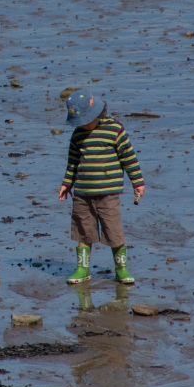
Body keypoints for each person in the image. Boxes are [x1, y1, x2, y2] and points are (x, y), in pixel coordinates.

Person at [58, 88, 145, 285]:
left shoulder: (114, 130)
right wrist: (66, 183)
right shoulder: (77, 135)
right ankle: (82, 269)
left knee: (113, 230)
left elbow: (129, 157)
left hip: (108, 193)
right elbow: (72, 162)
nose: (81, 124)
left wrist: (137, 182)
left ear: (96, 112)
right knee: (83, 230)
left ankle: (121, 268)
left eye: (84, 120)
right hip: (82, 193)